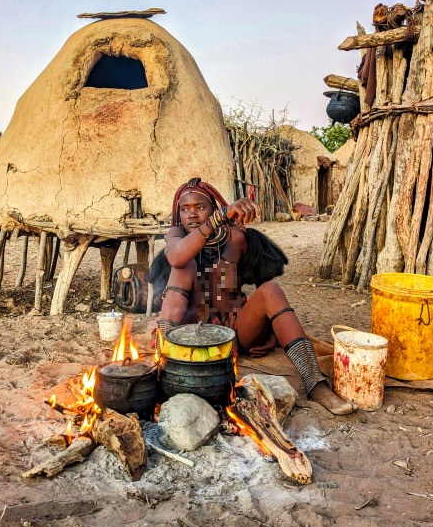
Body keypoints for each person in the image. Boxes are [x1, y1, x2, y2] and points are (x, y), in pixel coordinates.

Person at [148, 177, 355, 416]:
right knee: (182, 266)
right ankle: (163, 368)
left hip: (234, 331)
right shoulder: (175, 236)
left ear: (213, 208)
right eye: (185, 209)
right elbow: (175, 257)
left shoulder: (235, 238)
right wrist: (217, 218)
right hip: (189, 337)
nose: (192, 215)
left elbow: (260, 276)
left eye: (200, 207)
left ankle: (315, 383)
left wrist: (270, 324)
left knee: (270, 290)